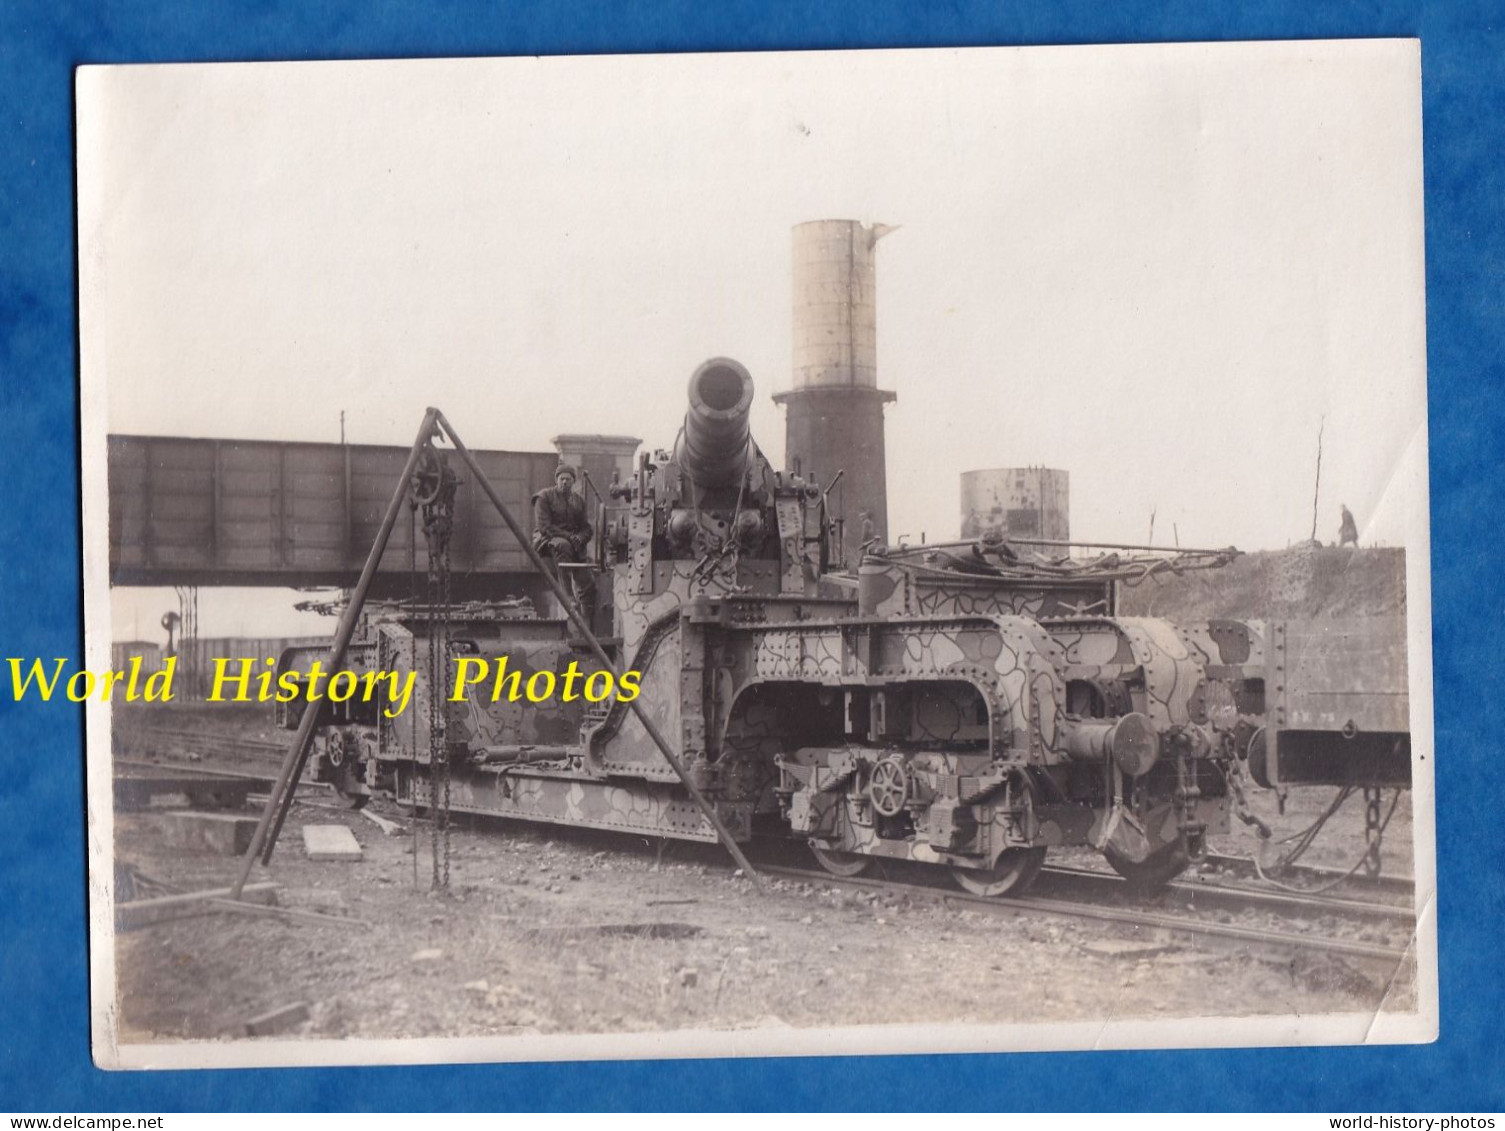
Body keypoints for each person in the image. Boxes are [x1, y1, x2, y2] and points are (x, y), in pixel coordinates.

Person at [532, 464, 595, 607]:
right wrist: (569, 536)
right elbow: (544, 526)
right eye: (561, 479)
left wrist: (580, 538)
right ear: (556, 480)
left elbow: (586, 528)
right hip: (547, 540)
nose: (564, 482)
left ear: (573, 481)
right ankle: (568, 596)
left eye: (568, 479)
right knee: (563, 545)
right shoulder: (544, 497)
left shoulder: (579, 501)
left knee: (587, 581)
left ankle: (586, 616)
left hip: (573, 543)